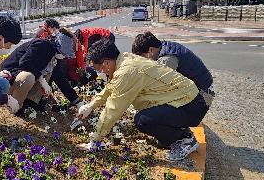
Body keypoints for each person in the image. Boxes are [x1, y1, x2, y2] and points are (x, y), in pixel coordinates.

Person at [78, 39, 208, 161]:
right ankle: (179, 131)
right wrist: (90, 106)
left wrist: (94, 141)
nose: (100, 73)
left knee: (143, 121)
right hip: (187, 100)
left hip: (191, 106)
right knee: (149, 118)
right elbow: (111, 88)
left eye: (98, 69)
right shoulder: (124, 60)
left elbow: (113, 109)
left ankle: (186, 140)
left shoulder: (127, 72)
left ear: (106, 62)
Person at [0, 31, 75, 115]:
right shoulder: (41, 45)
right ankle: (15, 106)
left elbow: (60, 79)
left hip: (18, 80)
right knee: (29, 76)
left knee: (48, 72)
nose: (64, 56)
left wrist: (77, 101)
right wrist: (42, 81)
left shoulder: (53, 56)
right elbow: (24, 63)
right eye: (64, 53)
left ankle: (30, 102)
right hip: (7, 79)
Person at [132, 31, 215, 106]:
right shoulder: (162, 46)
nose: (142, 61)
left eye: (142, 57)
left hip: (204, 92)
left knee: (160, 105)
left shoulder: (167, 60)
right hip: (202, 86)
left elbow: (159, 86)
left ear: (150, 50)